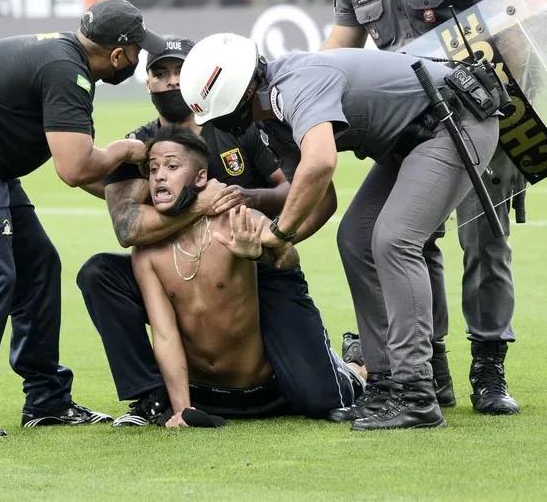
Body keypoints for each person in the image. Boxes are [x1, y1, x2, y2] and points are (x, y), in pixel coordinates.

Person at [178, 33, 500, 431]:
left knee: (394, 241)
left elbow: (319, 165)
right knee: (354, 239)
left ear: (239, 98)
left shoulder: (295, 84)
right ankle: (385, 383)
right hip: (414, 139)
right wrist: (280, 244)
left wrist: (278, 233)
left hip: (455, 123)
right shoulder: (270, 121)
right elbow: (321, 198)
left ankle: (417, 391)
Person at [309, 0, 522, 417]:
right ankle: (431, 368)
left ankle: (490, 370)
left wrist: (512, 119)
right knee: (408, 238)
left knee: (485, 242)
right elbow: (344, 45)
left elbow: (513, 24)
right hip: (408, 124)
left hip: (482, 113)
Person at [0, 0, 163, 438]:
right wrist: (124, 151)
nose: (138, 59)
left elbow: (80, 174)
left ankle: (47, 399)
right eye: (137, 51)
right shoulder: (66, 70)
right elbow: (75, 168)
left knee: (38, 265)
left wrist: (140, 202)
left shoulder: (65, 59)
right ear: (117, 54)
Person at [76, 37, 358, 427]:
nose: (172, 81)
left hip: (255, 259)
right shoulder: (139, 146)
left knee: (322, 400)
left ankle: (352, 364)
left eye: (179, 72)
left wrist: (254, 212)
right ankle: (153, 398)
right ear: (148, 83)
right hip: (180, 264)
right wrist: (201, 206)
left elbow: (303, 191)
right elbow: (126, 228)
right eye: (161, 73)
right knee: (98, 274)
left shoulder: (235, 123)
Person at [132, 126, 316, 427]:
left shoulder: (235, 220)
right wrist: (181, 411)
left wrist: (259, 253)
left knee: (324, 399)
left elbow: (290, 259)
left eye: (172, 166)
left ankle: (356, 365)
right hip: (206, 396)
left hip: (267, 391)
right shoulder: (146, 253)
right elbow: (164, 335)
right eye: (153, 170)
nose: (159, 176)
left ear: (201, 178)